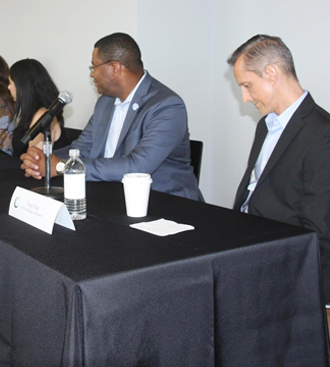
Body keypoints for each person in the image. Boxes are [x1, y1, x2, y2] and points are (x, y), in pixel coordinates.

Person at [20, 33, 202, 200]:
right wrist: (42, 160)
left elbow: (137, 167)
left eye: (94, 66)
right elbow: (83, 148)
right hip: (113, 196)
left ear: (115, 68)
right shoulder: (105, 102)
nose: (91, 73)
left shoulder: (166, 106)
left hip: (166, 203)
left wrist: (62, 167)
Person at [227, 34, 330, 303]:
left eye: (247, 85)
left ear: (271, 74)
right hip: (249, 247)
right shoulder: (266, 125)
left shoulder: (322, 133)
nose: (245, 97)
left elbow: (318, 232)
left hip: (282, 268)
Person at [9, 58, 68, 158]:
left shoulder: (42, 115)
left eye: (10, 83)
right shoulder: (33, 114)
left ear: (22, 88)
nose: (8, 88)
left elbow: (35, 160)